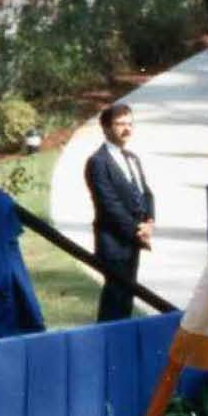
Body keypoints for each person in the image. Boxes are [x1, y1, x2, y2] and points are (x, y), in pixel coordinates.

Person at [85, 104, 155, 323]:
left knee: (127, 299)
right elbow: (109, 205)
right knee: (114, 301)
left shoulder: (132, 158)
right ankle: (104, 348)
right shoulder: (98, 162)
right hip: (113, 244)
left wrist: (149, 222)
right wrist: (137, 230)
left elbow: (146, 193)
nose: (127, 129)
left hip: (133, 242)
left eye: (130, 124)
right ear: (106, 128)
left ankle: (119, 350)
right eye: (120, 124)